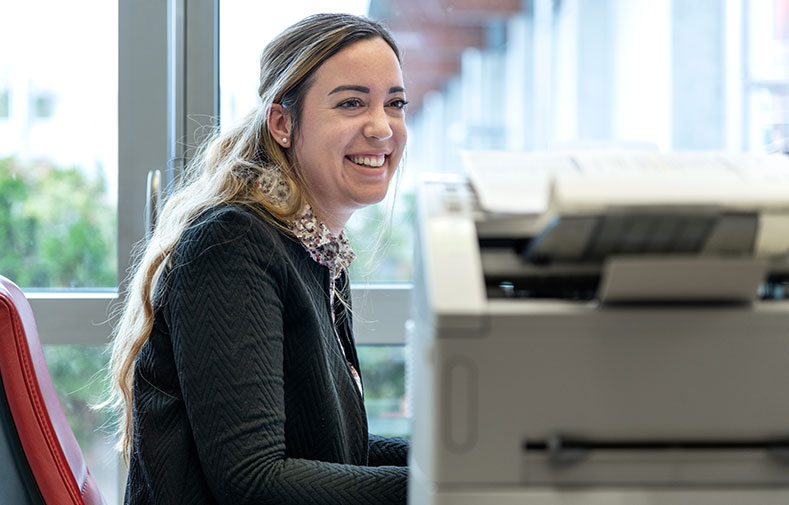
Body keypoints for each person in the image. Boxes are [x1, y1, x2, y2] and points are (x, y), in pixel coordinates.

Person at [105, 13, 409, 505]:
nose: (382, 127)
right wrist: (445, 486)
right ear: (283, 123)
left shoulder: (314, 250)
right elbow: (254, 481)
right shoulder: (232, 247)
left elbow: (336, 449)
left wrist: (457, 465)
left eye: (395, 103)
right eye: (352, 102)